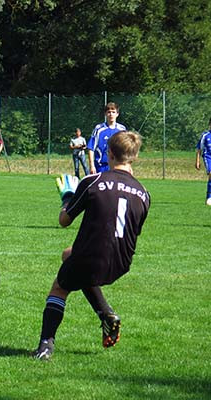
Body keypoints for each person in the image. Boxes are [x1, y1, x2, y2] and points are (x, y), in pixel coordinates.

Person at [33, 131, 150, 361]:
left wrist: (67, 197)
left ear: (109, 154)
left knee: (60, 287)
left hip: (91, 258)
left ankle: (45, 346)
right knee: (70, 256)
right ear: (134, 156)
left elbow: (64, 221)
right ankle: (106, 315)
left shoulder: (93, 181)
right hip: (122, 261)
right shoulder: (145, 194)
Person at [87, 102, 126, 173]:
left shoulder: (122, 129)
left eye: (113, 112)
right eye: (109, 112)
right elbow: (91, 148)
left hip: (117, 166)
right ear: (105, 114)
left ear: (117, 114)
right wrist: (92, 165)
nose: (111, 114)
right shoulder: (99, 129)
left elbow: (125, 150)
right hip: (101, 167)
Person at [195, 117, 211, 206]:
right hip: (208, 157)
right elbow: (199, 149)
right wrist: (197, 161)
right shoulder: (205, 135)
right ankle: (209, 197)